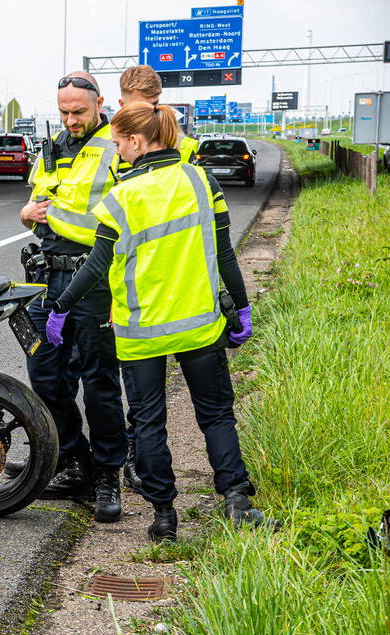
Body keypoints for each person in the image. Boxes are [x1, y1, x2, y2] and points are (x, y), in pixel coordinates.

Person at [43, 101, 278, 541]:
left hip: (141, 333)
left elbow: (95, 265)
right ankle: (237, 501)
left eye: (116, 144)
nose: (115, 152)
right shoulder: (200, 179)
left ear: (136, 141)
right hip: (199, 323)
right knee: (216, 415)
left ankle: (165, 518)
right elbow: (224, 254)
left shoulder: (122, 196)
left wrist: (61, 306)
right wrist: (241, 306)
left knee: (149, 423)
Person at [16, 71, 127, 523]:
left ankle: (107, 474)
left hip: (94, 280)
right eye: (63, 111)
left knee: (99, 383)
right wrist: (27, 215)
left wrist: (53, 217)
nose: (70, 119)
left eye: (78, 111)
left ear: (99, 103)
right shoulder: (52, 146)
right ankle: (72, 459)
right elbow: (34, 210)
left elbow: (120, 217)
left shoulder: (119, 145)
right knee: (45, 376)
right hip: (48, 279)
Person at [112, 65, 200, 494]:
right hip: (175, 283)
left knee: (144, 403)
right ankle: (141, 470)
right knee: (157, 403)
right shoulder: (183, 148)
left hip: (145, 282)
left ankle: (149, 482)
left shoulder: (144, 144)